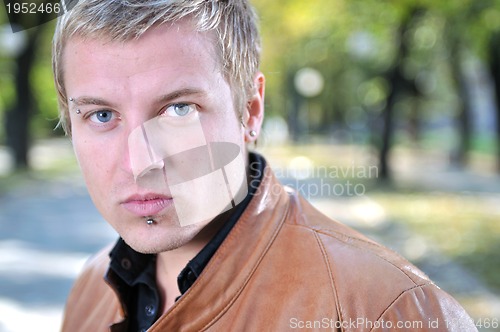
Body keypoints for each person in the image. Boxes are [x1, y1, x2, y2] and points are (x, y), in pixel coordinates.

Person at [54, 0, 477, 331]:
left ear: (250, 110)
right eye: (102, 116)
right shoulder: (91, 290)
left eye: (179, 109)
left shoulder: (392, 312)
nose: (140, 163)